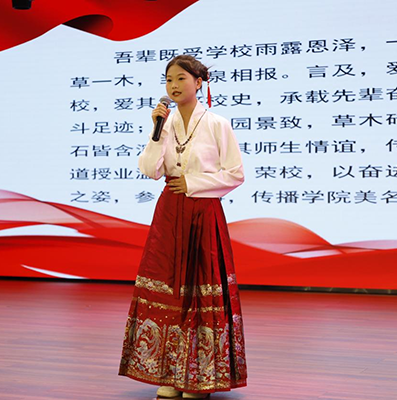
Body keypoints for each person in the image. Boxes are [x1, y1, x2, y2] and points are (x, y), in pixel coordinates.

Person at [118, 55, 247, 399]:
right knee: (168, 289)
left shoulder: (217, 124)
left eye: (180, 79)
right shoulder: (166, 123)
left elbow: (235, 174)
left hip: (203, 213)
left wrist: (193, 183)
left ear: (198, 83)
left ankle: (199, 377)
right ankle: (169, 374)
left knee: (199, 292)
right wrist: (156, 132)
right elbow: (150, 170)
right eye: (168, 80)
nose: (173, 86)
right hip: (170, 213)